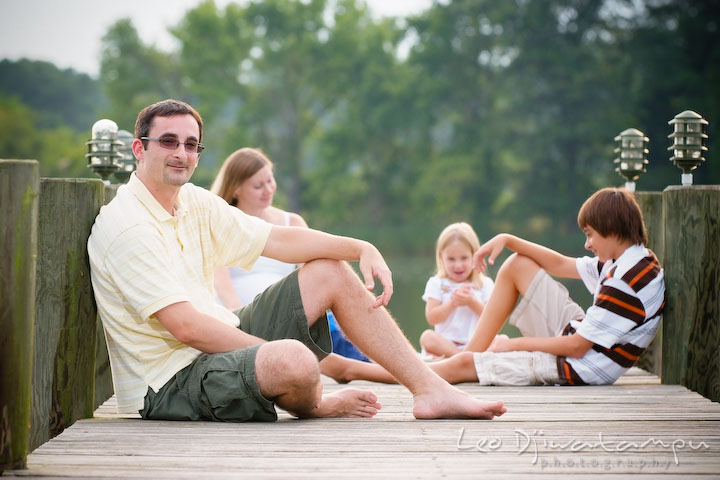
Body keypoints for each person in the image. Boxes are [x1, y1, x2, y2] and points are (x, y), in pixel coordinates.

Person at [87, 98, 506, 423]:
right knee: (294, 361)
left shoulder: (193, 201)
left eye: (191, 144)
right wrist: (280, 353)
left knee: (328, 269)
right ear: (139, 149)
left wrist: (358, 247)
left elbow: (281, 239)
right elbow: (186, 327)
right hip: (167, 382)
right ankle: (317, 404)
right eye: (168, 142)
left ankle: (429, 389)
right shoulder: (127, 227)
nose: (181, 152)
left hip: (218, 339)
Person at [354, 187, 665, 386]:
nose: (586, 244)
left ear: (611, 231)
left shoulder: (625, 282)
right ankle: (474, 354)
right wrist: (508, 239)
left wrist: (512, 345)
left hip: (579, 366)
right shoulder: (628, 259)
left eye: (590, 235)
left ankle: (355, 370)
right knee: (518, 263)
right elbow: (559, 265)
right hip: (581, 339)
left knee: (460, 366)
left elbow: (577, 348)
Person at [210, 147, 369, 361]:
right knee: (334, 361)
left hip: (294, 317)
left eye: (270, 180)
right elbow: (222, 284)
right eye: (258, 185)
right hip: (247, 322)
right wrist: (241, 325)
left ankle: (386, 363)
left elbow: (316, 276)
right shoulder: (222, 225)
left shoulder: (291, 222)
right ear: (236, 189)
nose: (268, 189)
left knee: (340, 334)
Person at [419, 223, 494, 359]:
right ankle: (462, 358)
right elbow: (432, 317)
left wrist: (471, 302)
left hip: (478, 344)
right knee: (427, 337)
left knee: (502, 340)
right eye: (451, 259)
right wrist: (452, 303)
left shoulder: (485, 284)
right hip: (446, 345)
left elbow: (492, 319)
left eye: (464, 258)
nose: (458, 265)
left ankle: (460, 359)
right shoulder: (437, 283)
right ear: (441, 257)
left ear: (475, 255)